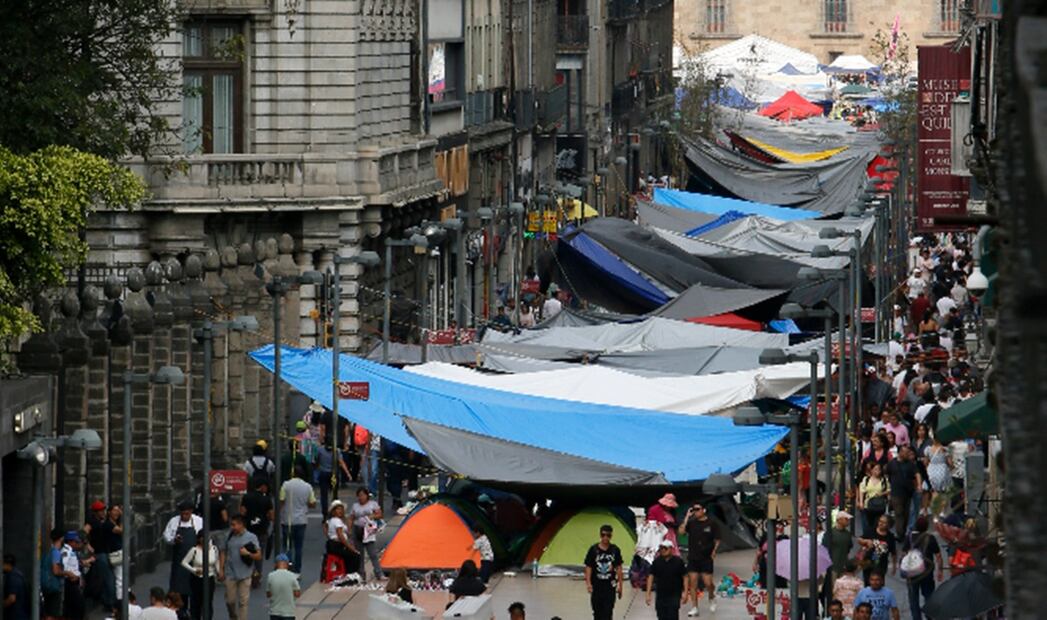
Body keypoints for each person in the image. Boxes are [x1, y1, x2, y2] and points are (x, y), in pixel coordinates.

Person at [678, 502, 720, 617]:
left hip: (706, 557)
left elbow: (717, 539)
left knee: (708, 583)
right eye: (694, 509)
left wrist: (714, 551)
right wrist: (687, 517)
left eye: (698, 509)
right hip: (693, 557)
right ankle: (694, 607)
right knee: (693, 583)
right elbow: (681, 532)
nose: (695, 512)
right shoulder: (691, 523)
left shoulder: (711, 523)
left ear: (704, 510)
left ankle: (712, 596)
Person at [218, 515, 262, 620]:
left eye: (234, 525)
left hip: (245, 573)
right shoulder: (228, 535)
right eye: (231, 524)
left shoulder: (251, 537)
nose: (232, 527)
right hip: (230, 573)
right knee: (230, 601)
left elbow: (259, 556)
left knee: (243, 602)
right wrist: (221, 569)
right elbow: (223, 552)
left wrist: (248, 554)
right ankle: (233, 616)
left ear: (241, 525)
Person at [902, 517, 942, 620]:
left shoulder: (909, 537)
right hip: (927, 572)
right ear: (926, 527)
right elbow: (938, 556)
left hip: (912, 573)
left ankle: (916, 618)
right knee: (929, 595)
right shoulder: (930, 538)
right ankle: (930, 616)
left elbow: (903, 553)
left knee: (913, 598)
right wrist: (940, 570)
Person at [279, 464, 316, 573]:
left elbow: (281, 500)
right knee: (299, 547)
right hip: (301, 520)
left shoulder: (286, 485)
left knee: (288, 546)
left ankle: (288, 566)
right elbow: (313, 503)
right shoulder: (307, 486)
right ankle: (297, 570)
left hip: (287, 519)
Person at [163, 500, 203, 601]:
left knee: (194, 588)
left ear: (191, 512)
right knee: (178, 589)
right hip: (179, 560)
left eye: (187, 514)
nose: (184, 516)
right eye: (182, 514)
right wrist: (174, 540)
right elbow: (166, 536)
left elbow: (203, 537)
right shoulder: (174, 521)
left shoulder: (198, 521)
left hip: (195, 560)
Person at [239, 476, 274, 588]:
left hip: (248, 529)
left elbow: (242, 512)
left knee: (247, 551)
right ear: (263, 486)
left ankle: (247, 573)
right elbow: (271, 515)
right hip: (261, 530)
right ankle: (257, 574)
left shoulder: (246, 497)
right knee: (259, 553)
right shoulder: (266, 499)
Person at [584, 524, 623, 620]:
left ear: (611, 536)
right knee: (597, 611)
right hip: (597, 586)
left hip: (610, 586)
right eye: (603, 535)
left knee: (608, 611)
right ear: (600, 535)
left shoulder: (615, 550)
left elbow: (619, 568)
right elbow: (589, 567)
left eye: (608, 535)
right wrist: (588, 583)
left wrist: (620, 585)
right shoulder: (593, 550)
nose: (605, 538)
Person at [84, 500, 116, 610]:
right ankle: (109, 602)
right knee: (108, 578)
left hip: (106, 552)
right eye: (101, 510)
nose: (103, 512)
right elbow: (83, 533)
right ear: (96, 512)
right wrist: (88, 546)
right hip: (100, 553)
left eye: (103, 510)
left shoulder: (104, 522)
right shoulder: (92, 522)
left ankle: (106, 600)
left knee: (107, 577)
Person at [645, 540, 688, 620]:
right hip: (661, 595)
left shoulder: (678, 562)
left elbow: (685, 577)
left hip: (674, 595)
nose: (663, 550)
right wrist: (648, 593)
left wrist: (685, 592)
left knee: (672, 616)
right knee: (661, 616)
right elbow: (651, 576)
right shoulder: (657, 562)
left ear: (671, 549)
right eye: (661, 548)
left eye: (665, 548)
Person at [179, 532, 218, 620]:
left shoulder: (214, 549)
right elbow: (184, 562)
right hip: (197, 579)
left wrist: (219, 572)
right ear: (199, 539)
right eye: (202, 538)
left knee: (208, 602)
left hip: (210, 578)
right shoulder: (194, 550)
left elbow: (216, 561)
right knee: (196, 602)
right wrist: (194, 570)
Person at [349, 487, 383, 582]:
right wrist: (350, 530)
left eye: (363, 495)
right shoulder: (355, 506)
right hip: (358, 529)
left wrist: (372, 516)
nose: (361, 497)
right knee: (360, 554)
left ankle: (378, 573)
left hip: (368, 531)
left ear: (367, 495)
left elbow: (380, 515)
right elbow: (351, 518)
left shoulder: (373, 504)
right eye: (359, 495)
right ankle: (361, 573)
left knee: (372, 553)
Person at [885, 447, 919, 537]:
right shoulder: (892, 463)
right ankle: (900, 533)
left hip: (907, 492)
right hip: (896, 492)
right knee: (899, 513)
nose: (907, 454)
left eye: (908, 452)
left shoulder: (910, 464)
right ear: (900, 452)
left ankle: (903, 531)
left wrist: (918, 485)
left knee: (906, 513)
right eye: (905, 452)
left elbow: (917, 473)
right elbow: (887, 474)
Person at [313, 441, 350, 519]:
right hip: (333, 474)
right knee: (334, 494)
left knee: (324, 495)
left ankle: (325, 513)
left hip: (323, 473)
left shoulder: (320, 450)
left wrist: (316, 468)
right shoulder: (337, 450)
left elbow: (316, 460)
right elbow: (341, 462)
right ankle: (334, 512)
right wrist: (347, 473)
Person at [858, 516, 897, 585]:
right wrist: (866, 541)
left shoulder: (890, 537)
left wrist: (894, 566)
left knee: (879, 584)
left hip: (881, 565)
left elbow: (893, 552)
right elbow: (860, 539)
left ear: (889, 525)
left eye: (883, 522)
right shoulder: (871, 531)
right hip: (868, 563)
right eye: (880, 521)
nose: (880, 523)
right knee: (868, 583)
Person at [324, 501, 360, 574]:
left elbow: (325, 529)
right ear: (333, 511)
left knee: (350, 554)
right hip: (337, 546)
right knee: (355, 555)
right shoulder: (336, 521)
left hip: (331, 545)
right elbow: (341, 537)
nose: (340, 511)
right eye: (338, 509)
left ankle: (347, 573)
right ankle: (350, 574)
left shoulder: (331, 520)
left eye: (341, 509)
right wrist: (351, 548)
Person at [857, 463, 889, 536]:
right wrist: (861, 502)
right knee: (867, 524)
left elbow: (889, 490)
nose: (877, 471)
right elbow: (861, 490)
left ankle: (875, 537)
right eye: (875, 469)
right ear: (871, 470)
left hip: (879, 505)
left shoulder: (884, 480)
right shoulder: (866, 479)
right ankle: (867, 537)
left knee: (877, 524)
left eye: (879, 469)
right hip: (868, 505)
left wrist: (882, 494)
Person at [265, 554, 300, 620]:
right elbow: (297, 594)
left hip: (274, 612)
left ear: (276, 564)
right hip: (288, 613)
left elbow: (268, 594)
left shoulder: (270, 576)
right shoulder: (292, 576)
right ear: (287, 564)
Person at [61, 531, 87, 620]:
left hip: (75, 583)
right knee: (78, 607)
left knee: (77, 608)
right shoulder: (66, 551)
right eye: (76, 542)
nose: (77, 544)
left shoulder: (72, 551)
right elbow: (63, 566)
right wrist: (71, 575)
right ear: (70, 542)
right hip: (70, 582)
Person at [43, 529, 66, 620]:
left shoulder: (48, 552)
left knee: (48, 612)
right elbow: (55, 571)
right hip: (54, 586)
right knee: (52, 613)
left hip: (47, 585)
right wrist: (67, 573)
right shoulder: (56, 553)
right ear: (61, 538)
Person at [824, 511, 853, 577]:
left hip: (843, 566)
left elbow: (849, 547)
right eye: (846, 519)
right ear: (839, 520)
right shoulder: (830, 533)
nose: (848, 521)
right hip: (833, 566)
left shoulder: (847, 534)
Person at [4, 554, 30, 620]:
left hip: (16, 615)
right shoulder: (18, 574)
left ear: (7, 564)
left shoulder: (13, 576)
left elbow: (12, 598)